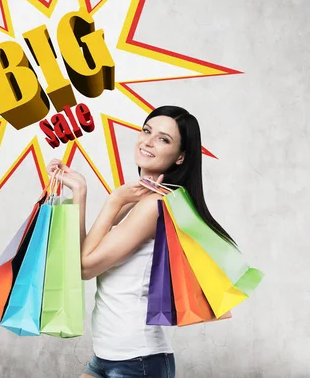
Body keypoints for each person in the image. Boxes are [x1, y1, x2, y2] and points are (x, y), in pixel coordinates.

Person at [46, 105, 237, 378]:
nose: (148, 141)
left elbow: (85, 268)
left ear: (181, 157)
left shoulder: (154, 205)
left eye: (163, 138)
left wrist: (115, 200)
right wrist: (80, 190)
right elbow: (85, 253)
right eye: (147, 131)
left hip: (138, 362)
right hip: (106, 357)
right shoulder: (140, 198)